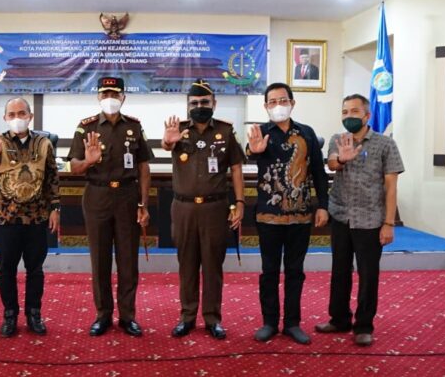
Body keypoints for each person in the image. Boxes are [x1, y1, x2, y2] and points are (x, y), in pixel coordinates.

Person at [314, 94, 404, 346]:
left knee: (368, 275)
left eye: (354, 111)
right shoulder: (338, 139)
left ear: (367, 115)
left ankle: (364, 326)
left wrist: (388, 223)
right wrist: (343, 158)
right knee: (339, 271)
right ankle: (339, 319)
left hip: (370, 219)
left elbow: (391, 187)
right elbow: (332, 164)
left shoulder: (385, 144)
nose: (348, 116)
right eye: (344, 112)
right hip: (341, 216)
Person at [67, 76, 152, 337]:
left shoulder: (135, 127)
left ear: (123, 97)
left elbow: (143, 167)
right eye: (105, 94)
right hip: (97, 196)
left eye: (114, 94)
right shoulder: (86, 127)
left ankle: (127, 316)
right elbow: (74, 167)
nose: (110, 99)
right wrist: (88, 161)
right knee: (100, 259)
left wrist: (143, 203)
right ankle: (102, 315)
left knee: (128, 260)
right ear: (98, 97)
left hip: (127, 196)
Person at [161, 79, 245, 340]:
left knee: (212, 266)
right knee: (186, 265)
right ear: (188, 106)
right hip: (183, 208)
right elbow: (167, 145)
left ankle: (212, 318)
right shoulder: (178, 130)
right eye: (194, 103)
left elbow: (236, 168)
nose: (199, 107)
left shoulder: (225, 131)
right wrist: (167, 142)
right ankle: (187, 317)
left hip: (214, 208)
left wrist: (240, 202)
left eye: (204, 102)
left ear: (214, 104)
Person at [246, 83, 329, 345]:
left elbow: (319, 172)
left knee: (295, 271)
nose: (278, 105)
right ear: (265, 106)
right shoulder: (260, 132)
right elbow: (248, 153)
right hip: (268, 216)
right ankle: (269, 322)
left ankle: (292, 323)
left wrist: (323, 205)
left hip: (300, 216)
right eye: (272, 101)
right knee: (269, 271)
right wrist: (253, 151)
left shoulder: (306, 133)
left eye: (283, 100)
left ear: (292, 103)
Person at [0, 97, 60, 337]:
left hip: (37, 218)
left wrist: (55, 208)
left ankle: (34, 314)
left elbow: (52, 178)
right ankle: (10, 315)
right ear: (5, 118)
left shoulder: (44, 143)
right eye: (12, 114)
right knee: (7, 270)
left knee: (35, 270)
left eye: (22, 113)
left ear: (30, 116)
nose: (17, 118)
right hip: (7, 219)